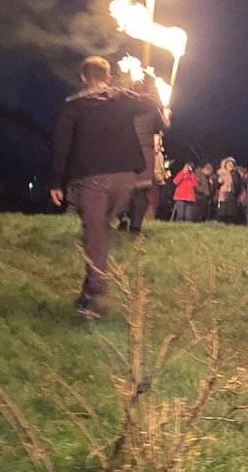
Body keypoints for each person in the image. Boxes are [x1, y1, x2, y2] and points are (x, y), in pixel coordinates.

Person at [50, 55, 165, 315]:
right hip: (125, 180)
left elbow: (61, 145)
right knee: (99, 231)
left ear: (83, 77)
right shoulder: (123, 98)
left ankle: (96, 297)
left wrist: (56, 181)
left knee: (96, 233)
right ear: (108, 77)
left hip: (92, 178)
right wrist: (151, 82)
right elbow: (153, 103)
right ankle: (89, 287)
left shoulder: (73, 107)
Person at [125, 76, 170, 234]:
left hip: (128, 148)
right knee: (141, 188)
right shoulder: (152, 107)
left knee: (126, 186)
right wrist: (165, 116)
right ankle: (135, 224)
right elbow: (162, 127)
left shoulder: (125, 104)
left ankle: (125, 219)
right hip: (144, 149)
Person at [215, 157, 242, 223]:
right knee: (222, 210)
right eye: (228, 164)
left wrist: (232, 173)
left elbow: (237, 183)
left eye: (231, 164)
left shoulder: (235, 173)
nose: (230, 165)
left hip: (231, 193)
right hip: (223, 194)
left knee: (230, 211)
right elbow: (217, 185)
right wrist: (219, 182)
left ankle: (230, 223)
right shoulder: (221, 173)